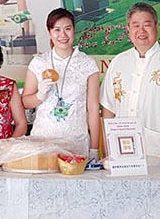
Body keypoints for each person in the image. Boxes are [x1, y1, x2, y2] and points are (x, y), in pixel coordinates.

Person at [100, 2, 160, 158]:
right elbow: (108, 109)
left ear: (156, 27)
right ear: (128, 29)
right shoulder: (118, 62)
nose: (141, 31)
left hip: (158, 150)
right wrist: (108, 149)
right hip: (121, 150)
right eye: (135, 25)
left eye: (147, 25)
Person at [21, 8, 100, 160]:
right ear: (49, 32)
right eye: (57, 29)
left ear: (74, 31)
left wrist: (94, 149)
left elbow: (93, 108)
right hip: (42, 142)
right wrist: (40, 95)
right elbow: (25, 102)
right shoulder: (38, 62)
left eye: (67, 29)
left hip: (76, 143)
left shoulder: (87, 63)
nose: (62, 35)